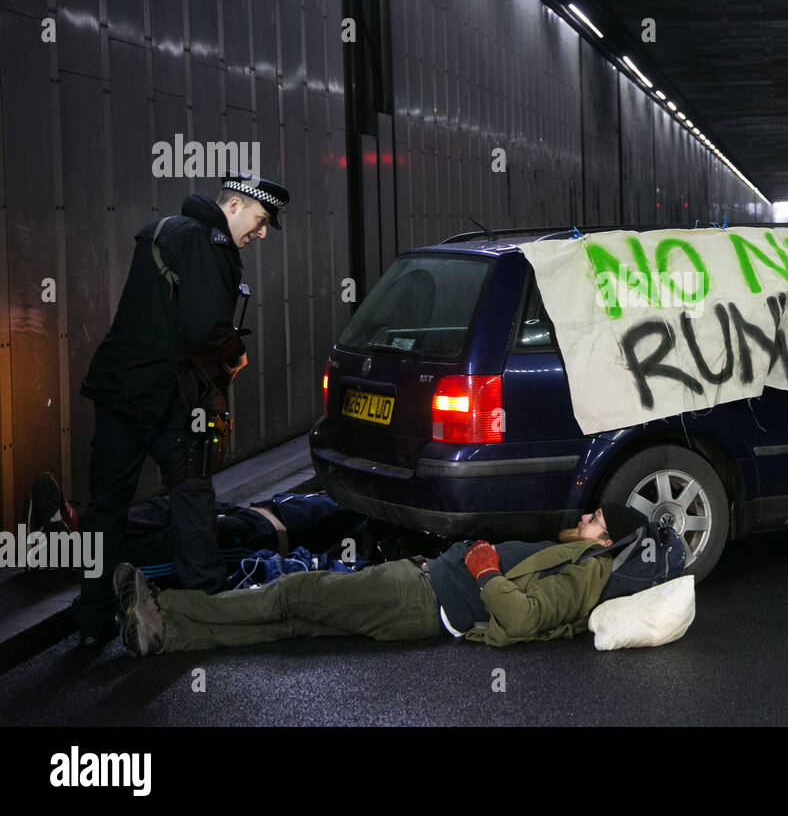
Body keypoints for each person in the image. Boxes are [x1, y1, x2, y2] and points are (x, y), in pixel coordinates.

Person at [73, 173, 290, 647]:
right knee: (192, 500)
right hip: (169, 398)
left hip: (118, 390)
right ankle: (207, 613)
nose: (262, 232)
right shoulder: (206, 241)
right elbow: (200, 329)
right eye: (259, 219)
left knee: (105, 509)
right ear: (232, 207)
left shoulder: (167, 229)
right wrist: (233, 348)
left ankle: (92, 623)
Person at [113, 504, 653, 655]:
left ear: (603, 541)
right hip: (420, 591)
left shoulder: (587, 571)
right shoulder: (577, 558)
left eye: (595, 520)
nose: (585, 518)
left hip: (420, 598)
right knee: (294, 622)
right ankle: (166, 635)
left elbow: (525, 615)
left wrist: (485, 568)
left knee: (295, 593)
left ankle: (164, 604)